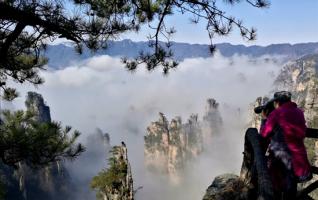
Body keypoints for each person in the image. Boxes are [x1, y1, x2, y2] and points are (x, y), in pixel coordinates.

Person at [260, 91, 312, 199]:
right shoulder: (299, 112)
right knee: (291, 187)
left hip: (281, 157)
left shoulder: (277, 113)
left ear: (277, 102)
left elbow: (264, 134)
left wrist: (264, 119)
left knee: (277, 186)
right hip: (298, 156)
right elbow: (302, 131)